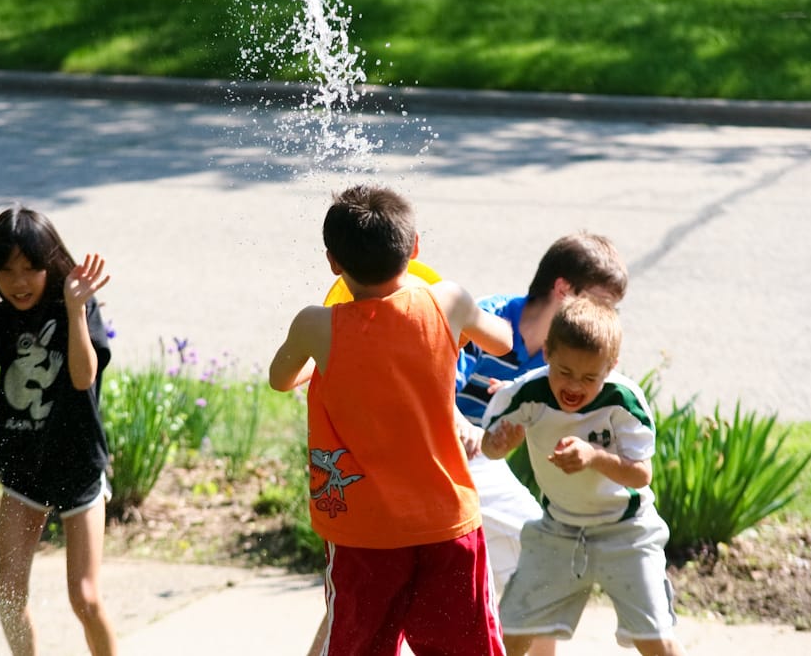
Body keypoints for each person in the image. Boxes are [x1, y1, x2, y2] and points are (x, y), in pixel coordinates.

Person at [269, 184, 513, 656]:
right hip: (446, 522)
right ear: (415, 247)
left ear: (333, 263)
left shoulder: (316, 326)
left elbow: (282, 379)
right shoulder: (448, 302)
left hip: (364, 532)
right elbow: (501, 341)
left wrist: (325, 362)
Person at [479, 295, 686, 656]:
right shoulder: (526, 393)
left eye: (590, 377)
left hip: (626, 530)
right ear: (547, 353)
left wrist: (593, 456)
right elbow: (489, 447)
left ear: (611, 366)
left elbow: (641, 475)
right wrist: (501, 444)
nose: (574, 386)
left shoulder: (623, 400)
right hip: (558, 529)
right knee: (511, 632)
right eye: (564, 372)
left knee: (654, 638)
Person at [454, 231, 628, 656]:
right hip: (440, 453)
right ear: (563, 290)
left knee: (542, 564)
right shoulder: (489, 320)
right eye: (602, 302)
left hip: (481, 468)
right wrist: (462, 424)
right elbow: (432, 386)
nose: (606, 317)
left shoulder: (566, 357)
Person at [0, 205, 118, 656]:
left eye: (30, 268)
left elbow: (84, 377)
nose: (19, 282)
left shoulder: (76, 305)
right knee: (9, 597)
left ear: (51, 263)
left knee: (85, 598)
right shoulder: (1, 315)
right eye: (7, 271)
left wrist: (75, 310)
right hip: (24, 467)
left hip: (78, 465)